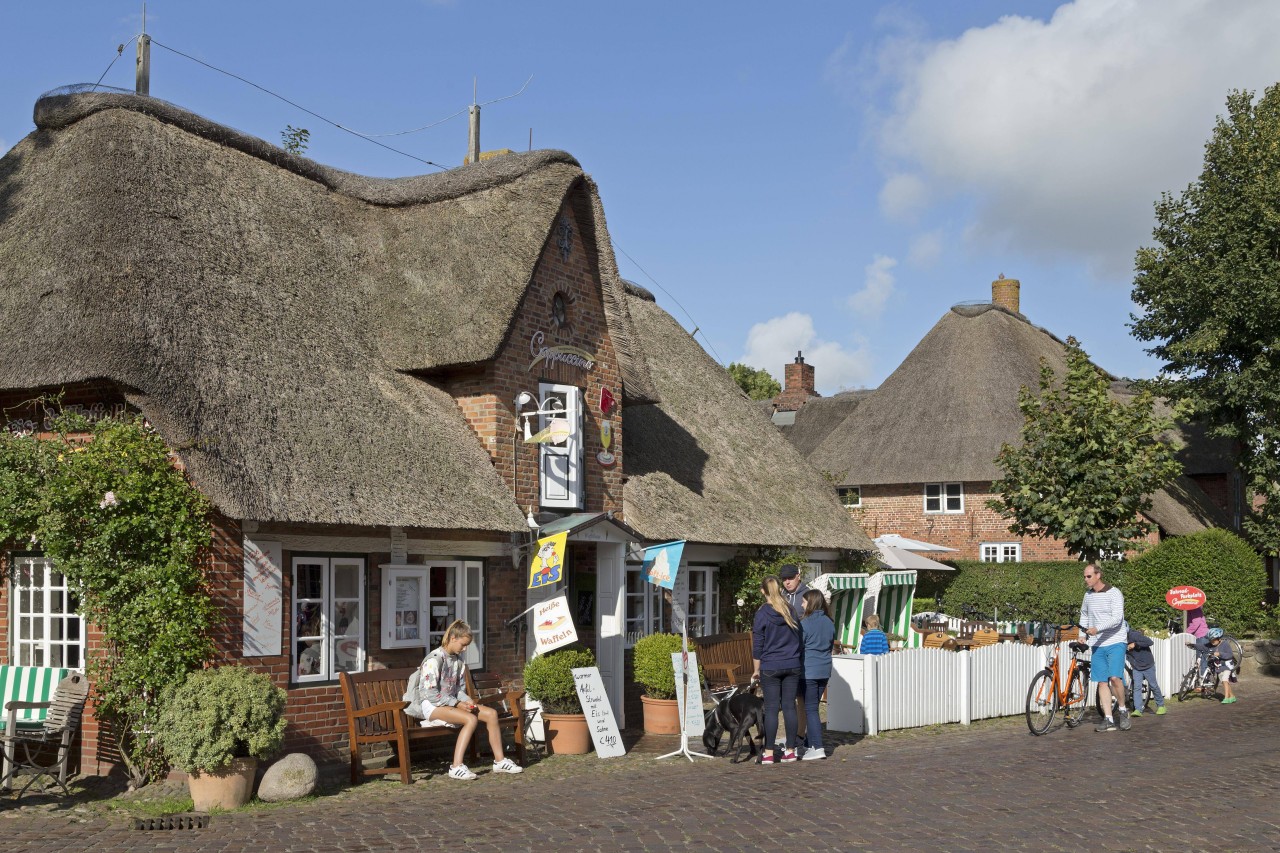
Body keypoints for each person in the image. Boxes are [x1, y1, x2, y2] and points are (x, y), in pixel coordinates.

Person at [414, 620, 524, 780]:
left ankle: (499, 761)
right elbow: (430, 693)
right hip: (432, 706)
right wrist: (458, 704)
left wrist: (467, 702)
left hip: (450, 703)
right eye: (463, 644)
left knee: (491, 714)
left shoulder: (458, 661)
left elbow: (458, 689)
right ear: (453, 638)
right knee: (470, 719)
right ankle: (456, 766)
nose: (464, 649)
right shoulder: (434, 660)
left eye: (467, 645)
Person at [751, 576, 803, 764]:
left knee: (772, 709)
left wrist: (756, 669)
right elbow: (799, 637)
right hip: (792, 663)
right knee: (790, 707)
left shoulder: (763, 613)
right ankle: (790, 751)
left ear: (763, 591)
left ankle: (769, 753)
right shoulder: (790, 610)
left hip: (771, 665)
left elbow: (758, 644)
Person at [1081, 563, 1130, 732]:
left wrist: (1097, 628)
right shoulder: (1087, 596)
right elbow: (1084, 615)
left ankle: (1123, 710)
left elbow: (1117, 618)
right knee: (1102, 682)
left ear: (1098, 575)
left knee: (1115, 678)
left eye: (1089, 576)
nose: (1086, 579)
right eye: (1085, 576)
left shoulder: (1114, 593)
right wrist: (1082, 634)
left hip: (1116, 641)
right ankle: (1108, 718)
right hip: (1097, 644)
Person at [799, 589, 835, 760]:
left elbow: (800, 646)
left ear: (811, 603)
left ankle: (817, 746)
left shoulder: (805, 623)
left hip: (809, 669)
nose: (801, 604)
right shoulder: (829, 622)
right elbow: (829, 645)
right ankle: (808, 741)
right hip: (825, 668)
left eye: (804, 601)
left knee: (811, 709)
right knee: (813, 706)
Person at [778, 564, 811, 747]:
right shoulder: (782, 596)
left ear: (799, 576)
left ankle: (800, 734)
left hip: (802, 652)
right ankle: (792, 733)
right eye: (784, 579)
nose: (787, 582)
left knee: (801, 696)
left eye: (790, 578)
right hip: (784, 652)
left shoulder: (807, 596)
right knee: (787, 696)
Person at [1125, 626, 1166, 716]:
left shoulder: (1134, 635)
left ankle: (1161, 706)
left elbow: (1150, 642)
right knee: (1137, 687)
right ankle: (1138, 709)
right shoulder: (1120, 640)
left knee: (1153, 685)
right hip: (1136, 667)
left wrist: (1135, 644)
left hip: (1147, 665)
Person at [1205, 627, 1239, 704]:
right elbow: (1203, 646)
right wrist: (1194, 645)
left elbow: (1230, 655)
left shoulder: (1225, 644)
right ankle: (1232, 696)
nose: (1212, 642)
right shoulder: (1212, 645)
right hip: (1219, 667)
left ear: (1219, 638)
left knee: (1224, 679)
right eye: (1210, 640)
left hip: (1227, 666)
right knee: (1225, 682)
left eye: (1213, 640)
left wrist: (1220, 654)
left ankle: (1226, 697)